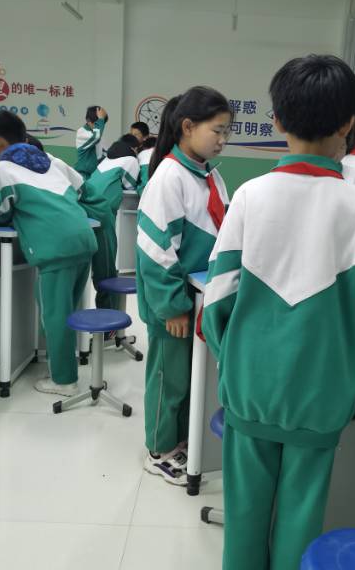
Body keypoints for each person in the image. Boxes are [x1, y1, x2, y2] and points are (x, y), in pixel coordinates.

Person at [202, 54, 355, 570]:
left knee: (244, 518)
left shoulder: (249, 197)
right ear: (349, 124)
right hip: (323, 393)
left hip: (251, 387)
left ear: (276, 121)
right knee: (302, 519)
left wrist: (233, 366)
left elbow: (217, 301)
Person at [135, 86, 232, 485]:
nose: (223, 140)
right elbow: (155, 250)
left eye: (227, 132)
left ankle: (181, 439)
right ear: (188, 127)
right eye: (217, 131)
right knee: (168, 380)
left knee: (190, 379)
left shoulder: (210, 175)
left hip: (198, 298)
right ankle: (158, 450)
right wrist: (173, 306)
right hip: (173, 303)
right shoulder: (169, 178)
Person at [0, 111, 96, 397]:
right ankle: (61, 368)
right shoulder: (52, 161)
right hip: (83, 240)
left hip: (55, 249)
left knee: (55, 316)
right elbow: (82, 189)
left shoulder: (1, 169)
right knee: (67, 313)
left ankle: (64, 381)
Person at [79, 134, 140, 312]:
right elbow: (130, 185)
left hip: (85, 207)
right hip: (102, 210)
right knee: (105, 265)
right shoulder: (130, 160)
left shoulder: (105, 161)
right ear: (134, 148)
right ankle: (108, 314)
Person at [75, 105, 108, 180]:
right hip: (84, 176)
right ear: (88, 121)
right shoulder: (82, 133)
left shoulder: (98, 134)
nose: (99, 126)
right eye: (96, 123)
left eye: (102, 123)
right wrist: (101, 119)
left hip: (95, 175)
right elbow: (96, 137)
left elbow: (104, 153)